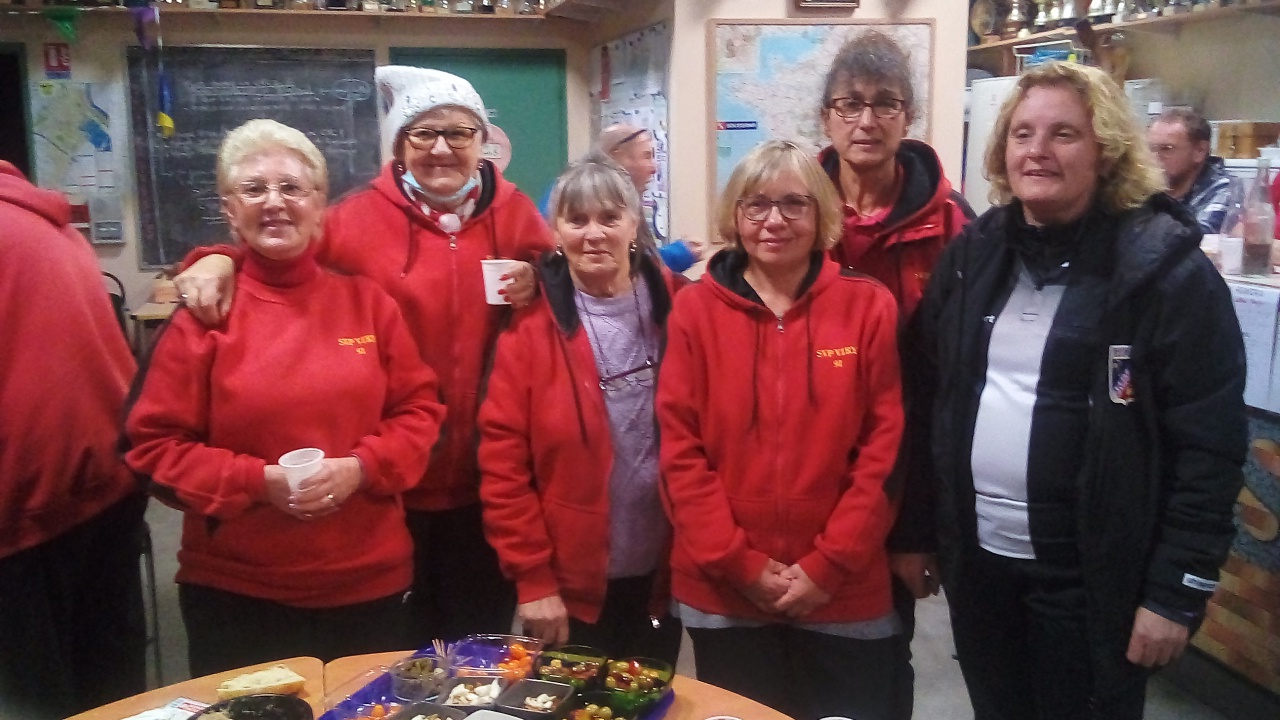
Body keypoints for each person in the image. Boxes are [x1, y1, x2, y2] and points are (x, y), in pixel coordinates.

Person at [907, 62, 1246, 719]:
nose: (1037, 150)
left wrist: (1175, 593)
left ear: (1106, 151)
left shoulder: (1164, 273)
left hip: (1092, 584)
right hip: (982, 575)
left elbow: (1208, 450)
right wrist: (919, 531)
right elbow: (929, 400)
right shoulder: (974, 256)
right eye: (1022, 133)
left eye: (1063, 133)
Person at [174, 67, 554, 644]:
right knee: (399, 655)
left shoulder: (518, 213)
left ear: (484, 142)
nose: (441, 148)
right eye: (422, 133)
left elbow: (571, 278)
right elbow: (278, 245)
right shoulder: (354, 218)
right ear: (399, 146)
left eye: (459, 132)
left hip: (489, 482)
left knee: (476, 651)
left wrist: (541, 279)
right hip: (386, 486)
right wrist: (215, 258)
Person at [126, 119, 447, 675]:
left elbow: (420, 413)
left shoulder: (368, 304)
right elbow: (150, 449)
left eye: (292, 188)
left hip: (368, 582)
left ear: (319, 206)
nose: (274, 202)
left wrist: (361, 468)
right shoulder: (204, 318)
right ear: (230, 211)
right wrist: (258, 482)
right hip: (238, 591)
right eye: (253, 189)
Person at [657, 140, 907, 720]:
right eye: (757, 204)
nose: (774, 220)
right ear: (735, 215)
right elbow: (679, 452)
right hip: (724, 585)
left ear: (821, 214)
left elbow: (885, 452)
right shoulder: (694, 310)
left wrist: (827, 567)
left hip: (844, 588)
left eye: (794, 203)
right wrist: (740, 565)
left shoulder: (868, 306)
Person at [817, 30, 973, 718]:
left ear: (908, 116)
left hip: (902, 486)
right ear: (826, 117)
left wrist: (917, 531)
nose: (867, 120)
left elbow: (950, 392)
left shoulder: (954, 225)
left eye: (886, 103)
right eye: (849, 104)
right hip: (802, 485)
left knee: (879, 660)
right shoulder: (791, 208)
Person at [478, 154, 684, 662]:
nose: (593, 234)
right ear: (555, 232)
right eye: (577, 220)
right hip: (569, 588)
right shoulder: (528, 330)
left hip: (668, 574)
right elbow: (503, 468)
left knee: (654, 696)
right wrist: (533, 580)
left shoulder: (681, 307)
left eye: (610, 218)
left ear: (634, 225)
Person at [0, 161, 148, 720]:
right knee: (110, 687)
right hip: (106, 480)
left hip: (24, 505)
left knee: (32, 698)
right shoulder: (44, 219)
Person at [1147, 107, 1238, 234]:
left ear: (1200, 151)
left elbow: (1197, 238)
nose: (1154, 157)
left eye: (1166, 149)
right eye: (1151, 149)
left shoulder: (1224, 187)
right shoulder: (1145, 186)